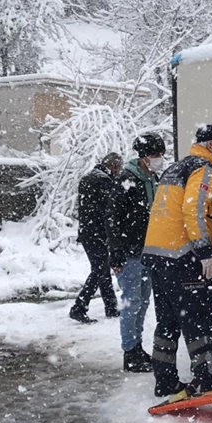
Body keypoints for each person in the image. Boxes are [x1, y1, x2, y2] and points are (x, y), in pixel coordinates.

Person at [142, 123, 212, 400]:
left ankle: (165, 380)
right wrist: (205, 252)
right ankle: (208, 378)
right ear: (211, 145)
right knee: (196, 318)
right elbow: (194, 210)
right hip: (181, 254)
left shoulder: (175, 168)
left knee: (168, 320)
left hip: (157, 253)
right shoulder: (202, 169)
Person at [109, 134, 166, 372]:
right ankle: (129, 352)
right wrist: (116, 253)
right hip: (130, 254)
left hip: (148, 252)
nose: (159, 160)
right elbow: (113, 219)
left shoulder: (153, 179)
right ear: (143, 157)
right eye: (155, 156)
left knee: (143, 303)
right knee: (131, 304)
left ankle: (137, 347)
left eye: (160, 155)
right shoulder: (127, 180)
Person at [69, 152, 123, 324]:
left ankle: (111, 307)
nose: (119, 172)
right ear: (113, 166)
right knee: (99, 270)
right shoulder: (104, 181)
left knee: (103, 270)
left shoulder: (88, 178)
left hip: (87, 232)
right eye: (119, 168)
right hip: (97, 234)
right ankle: (79, 306)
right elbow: (108, 211)